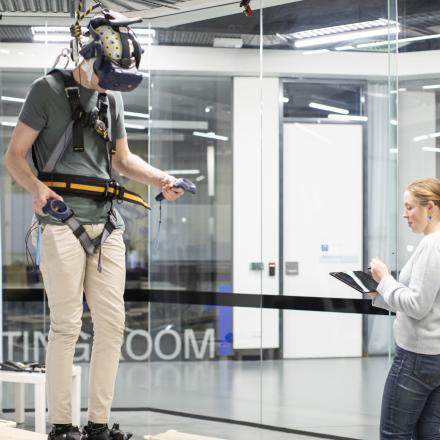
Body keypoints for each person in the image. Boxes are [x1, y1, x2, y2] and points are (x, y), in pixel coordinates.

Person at [5, 9, 184, 440]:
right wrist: (36, 188)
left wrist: (162, 178)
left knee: (112, 325)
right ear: (85, 56)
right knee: (66, 325)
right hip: (62, 222)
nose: (107, 86)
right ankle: (62, 425)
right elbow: (14, 155)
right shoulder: (44, 91)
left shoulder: (112, 98)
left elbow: (122, 161)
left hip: (107, 224)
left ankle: (99, 424)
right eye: (104, 77)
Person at [369, 177, 440, 439]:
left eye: (410, 207)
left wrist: (385, 278)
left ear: (430, 207)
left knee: (393, 434)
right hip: (435, 358)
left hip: (417, 360)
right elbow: (426, 301)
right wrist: (379, 292)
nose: (405, 214)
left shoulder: (432, 245)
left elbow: (417, 305)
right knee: (429, 434)